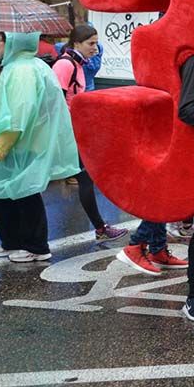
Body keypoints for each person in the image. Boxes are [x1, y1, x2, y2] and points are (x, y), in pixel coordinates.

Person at [0, 32, 80, 262]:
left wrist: (1, 148)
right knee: (7, 192)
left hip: (20, 143)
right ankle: (11, 242)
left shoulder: (22, 70)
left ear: (13, 42)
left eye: (1, 40)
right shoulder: (28, 66)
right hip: (26, 141)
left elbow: (18, 115)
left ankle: (36, 246)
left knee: (25, 192)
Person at [53, 24, 128, 243]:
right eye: (91, 44)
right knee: (84, 178)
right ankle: (100, 227)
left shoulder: (76, 63)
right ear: (76, 43)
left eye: (96, 43)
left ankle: (100, 227)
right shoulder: (65, 65)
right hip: (67, 132)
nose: (96, 48)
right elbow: (57, 101)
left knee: (85, 177)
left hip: (74, 130)